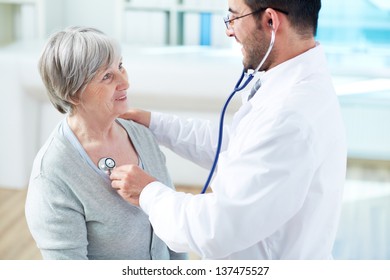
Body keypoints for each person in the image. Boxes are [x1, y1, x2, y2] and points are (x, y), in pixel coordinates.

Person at [111, 0, 347, 259]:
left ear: (270, 21)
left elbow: (215, 229)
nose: (229, 30)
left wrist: (148, 192)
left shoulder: (289, 114)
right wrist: (156, 124)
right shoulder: (297, 86)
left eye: (234, 17)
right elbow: (240, 149)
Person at [25, 26, 186, 260]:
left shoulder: (141, 134)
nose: (125, 82)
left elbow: (172, 225)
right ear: (73, 94)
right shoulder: (53, 175)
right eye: (107, 76)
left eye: (120, 66)